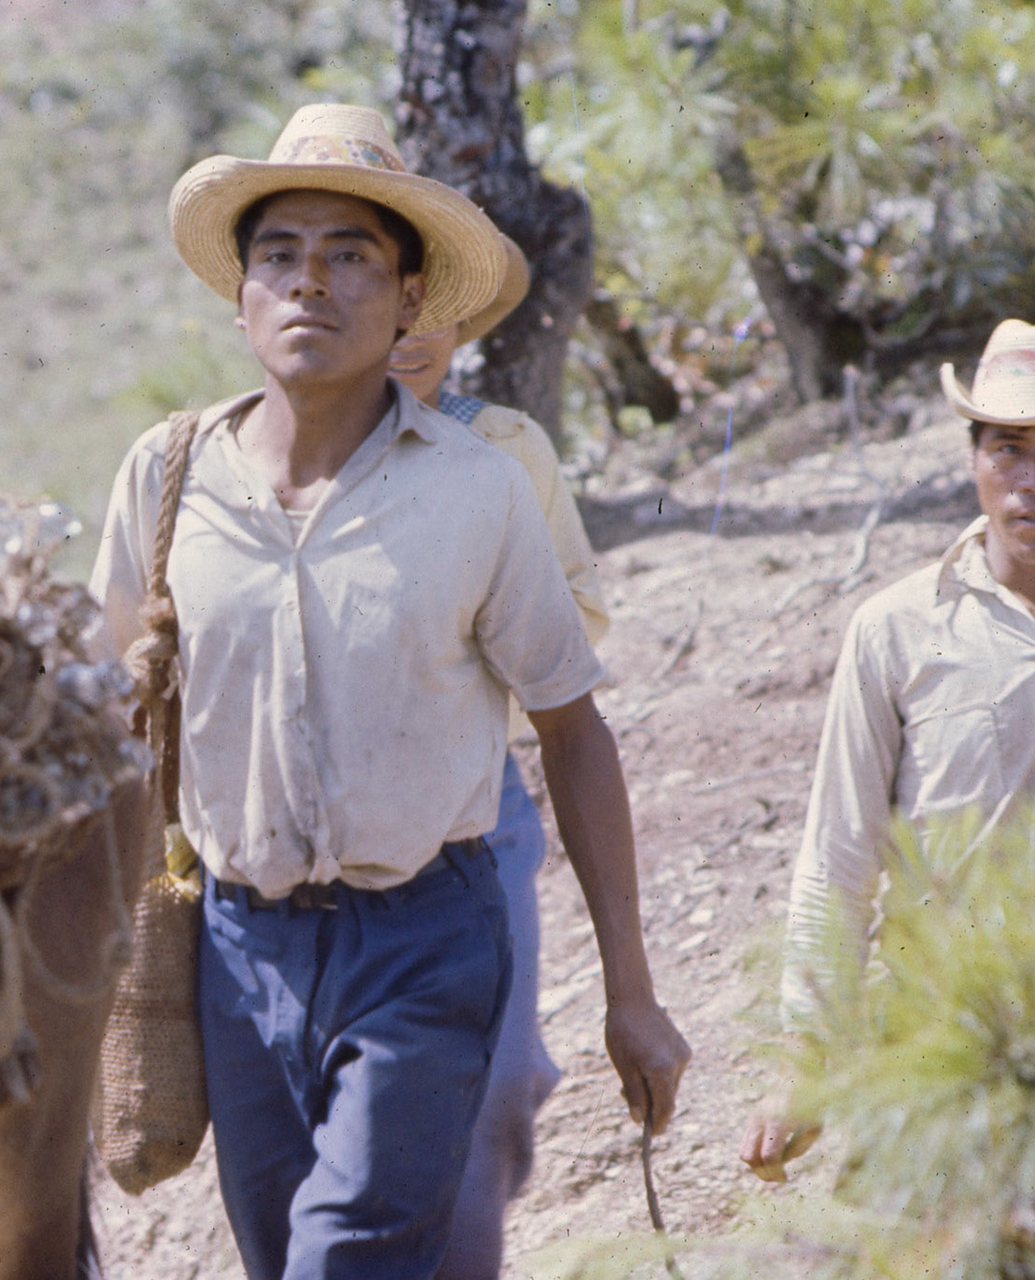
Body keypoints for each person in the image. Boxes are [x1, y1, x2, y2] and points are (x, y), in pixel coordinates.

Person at [92, 102, 689, 1279]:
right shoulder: (165, 480)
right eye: (280, 255)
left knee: (344, 1256)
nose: (311, 283)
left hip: (426, 941)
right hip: (236, 946)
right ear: (241, 294)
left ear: (414, 297)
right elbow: (112, 722)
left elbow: (572, 726)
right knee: (285, 1257)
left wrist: (632, 990)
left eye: (351, 255)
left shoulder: (477, 488)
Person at [742, 315, 1035, 1183]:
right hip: (941, 1034)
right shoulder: (897, 629)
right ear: (973, 464)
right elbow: (838, 857)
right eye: (1008, 450)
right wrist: (805, 1060)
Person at [389, 267, 608, 1279]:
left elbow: (576, 619)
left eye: (434, 311)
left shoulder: (507, 448)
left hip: (481, 792)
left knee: (500, 1084)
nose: (411, 336)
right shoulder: (256, 457)